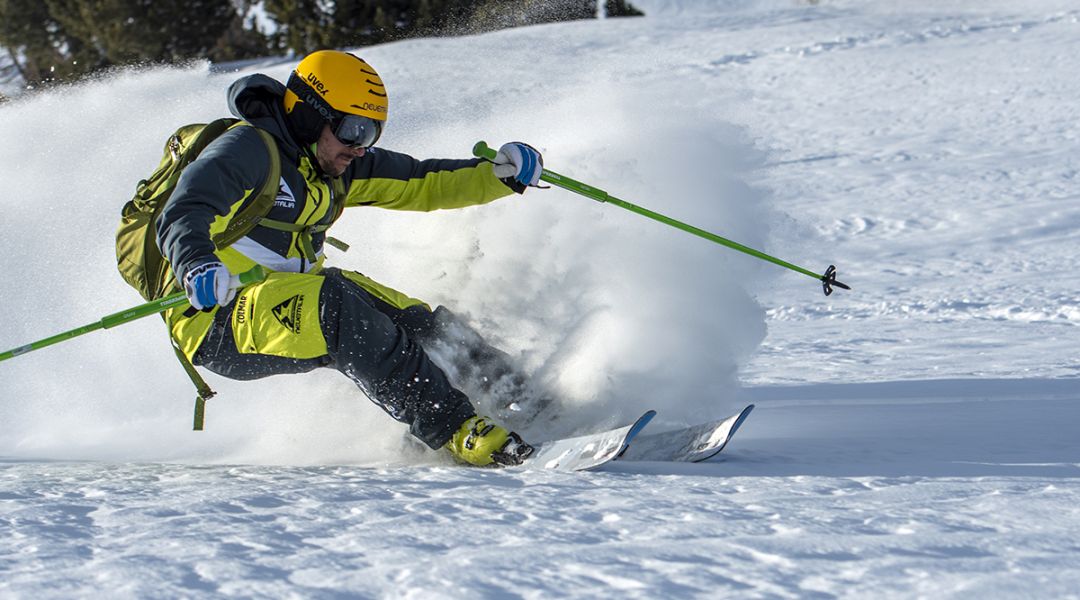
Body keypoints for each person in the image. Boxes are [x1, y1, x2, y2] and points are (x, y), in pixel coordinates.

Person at [155, 49, 544, 466]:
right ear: (309, 115)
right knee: (339, 311)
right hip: (219, 316)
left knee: (411, 318)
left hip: (294, 290)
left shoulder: (334, 164)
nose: (360, 148)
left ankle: (522, 397)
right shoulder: (247, 150)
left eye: (371, 133)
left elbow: (423, 182)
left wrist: (498, 176)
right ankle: (455, 429)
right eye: (353, 130)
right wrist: (196, 263)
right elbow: (184, 211)